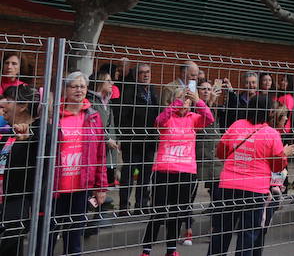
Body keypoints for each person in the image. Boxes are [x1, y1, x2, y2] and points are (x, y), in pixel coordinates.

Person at [208, 96, 293, 256]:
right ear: (269, 112)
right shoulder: (272, 133)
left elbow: (221, 152)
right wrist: (284, 154)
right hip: (255, 190)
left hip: (228, 185)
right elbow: (277, 166)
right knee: (248, 235)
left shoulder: (236, 125)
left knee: (221, 232)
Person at [140, 84, 214, 256]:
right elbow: (157, 122)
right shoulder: (168, 117)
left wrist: (199, 102)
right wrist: (176, 104)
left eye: (187, 100)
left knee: (176, 213)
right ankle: (146, 249)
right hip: (163, 170)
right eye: (181, 99)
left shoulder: (194, 118)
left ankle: (171, 250)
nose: (184, 103)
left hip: (185, 172)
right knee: (157, 213)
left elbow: (209, 118)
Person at [52, 72, 109, 256]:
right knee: (49, 235)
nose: (78, 90)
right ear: (66, 90)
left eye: (82, 86)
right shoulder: (54, 115)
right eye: (74, 86)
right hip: (56, 187)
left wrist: (101, 186)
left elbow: (100, 154)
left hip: (81, 186)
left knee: (74, 237)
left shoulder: (93, 117)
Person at [116, 62, 160, 215]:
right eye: (142, 72)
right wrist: (124, 136)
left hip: (148, 142)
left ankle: (141, 205)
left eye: (148, 72)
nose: (146, 75)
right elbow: (122, 116)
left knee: (145, 175)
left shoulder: (153, 92)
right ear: (136, 76)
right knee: (128, 174)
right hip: (133, 141)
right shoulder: (129, 92)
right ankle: (123, 207)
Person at [0, 86, 39, 256]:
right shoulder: (9, 133)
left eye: (8, 101)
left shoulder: (38, 134)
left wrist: (26, 140)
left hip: (17, 203)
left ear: (23, 106)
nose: (3, 106)